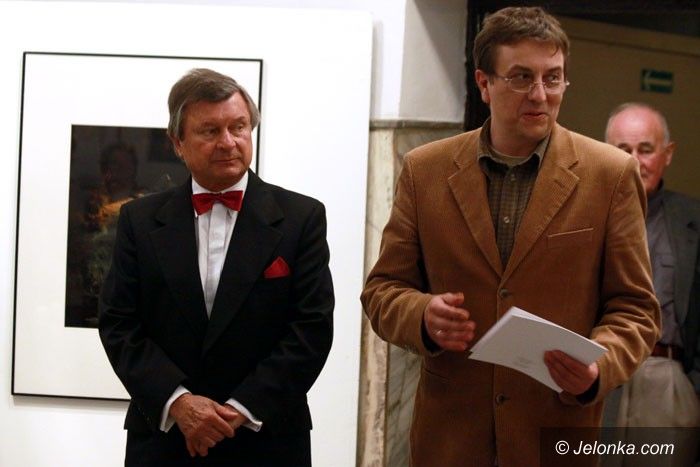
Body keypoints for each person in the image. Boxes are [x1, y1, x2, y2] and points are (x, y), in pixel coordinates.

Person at [361, 7, 660, 467]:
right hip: (450, 440)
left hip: (556, 434)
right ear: (484, 84)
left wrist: (599, 367)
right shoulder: (426, 170)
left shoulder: (610, 174)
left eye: (552, 78)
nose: (540, 94)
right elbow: (383, 291)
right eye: (521, 77)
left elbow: (636, 309)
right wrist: (422, 316)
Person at [99, 68, 334, 466]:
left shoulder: (302, 218)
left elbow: (311, 329)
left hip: (267, 438)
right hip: (165, 440)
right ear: (177, 142)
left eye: (238, 127)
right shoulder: (139, 220)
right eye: (210, 131)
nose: (228, 142)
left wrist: (239, 409)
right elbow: (119, 324)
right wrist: (179, 403)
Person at [604, 103, 699, 462]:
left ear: (667, 154)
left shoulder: (693, 219)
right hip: (599, 374)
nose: (634, 161)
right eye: (622, 149)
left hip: (667, 381)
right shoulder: (582, 215)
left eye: (645, 149)